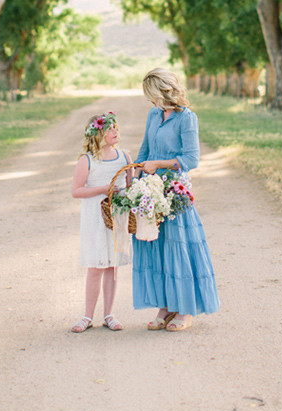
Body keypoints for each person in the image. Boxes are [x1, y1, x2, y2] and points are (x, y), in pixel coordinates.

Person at [133, 68, 220, 331]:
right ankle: (166, 306)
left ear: (163, 92)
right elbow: (145, 149)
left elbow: (191, 159)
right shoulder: (153, 114)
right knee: (156, 247)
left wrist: (157, 164)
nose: (149, 101)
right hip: (150, 190)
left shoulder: (187, 118)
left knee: (178, 247)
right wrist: (134, 177)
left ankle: (185, 309)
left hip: (174, 190)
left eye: (151, 95)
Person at [70, 111, 132, 333]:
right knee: (96, 266)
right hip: (95, 218)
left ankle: (109, 314)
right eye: (110, 129)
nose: (116, 132)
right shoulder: (87, 160)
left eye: (116, 127)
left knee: (112, 266)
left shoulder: (125, 157)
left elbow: (130, 186)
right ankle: (87, 316)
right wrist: (102, 189)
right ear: (98, 135)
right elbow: (76, 191)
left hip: (116, 218)